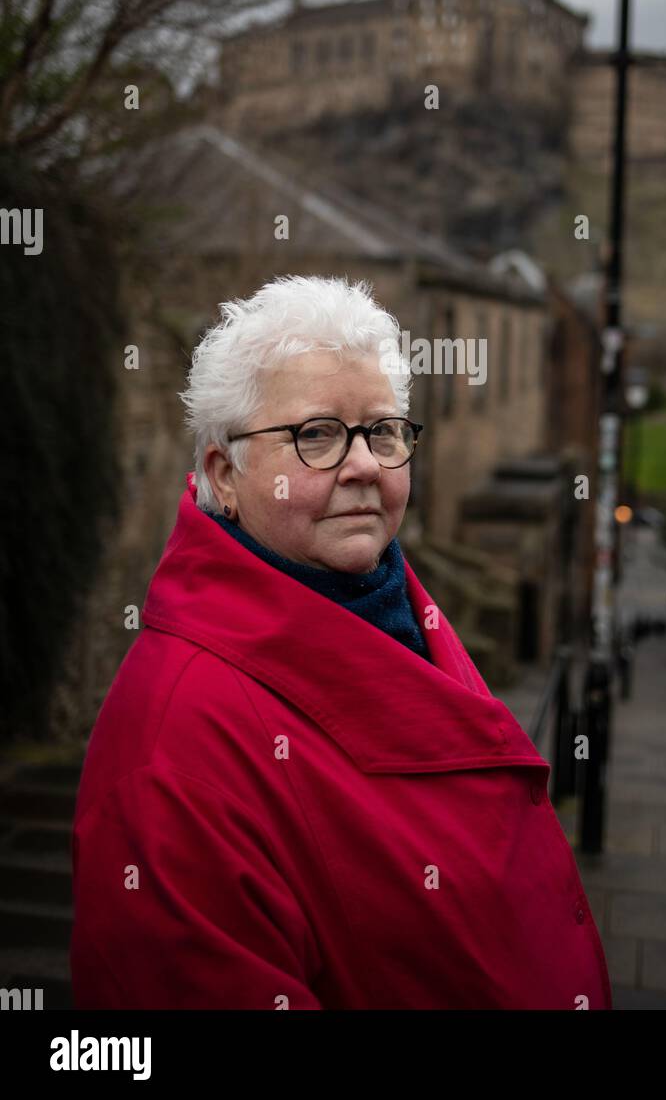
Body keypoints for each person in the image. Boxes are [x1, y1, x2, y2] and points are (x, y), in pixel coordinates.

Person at [70, 273, 612, 1010]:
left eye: (383, 431)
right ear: (223, 475)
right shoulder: (173, 752)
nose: (363, 465)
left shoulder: (389, 603)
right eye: (315, 435)